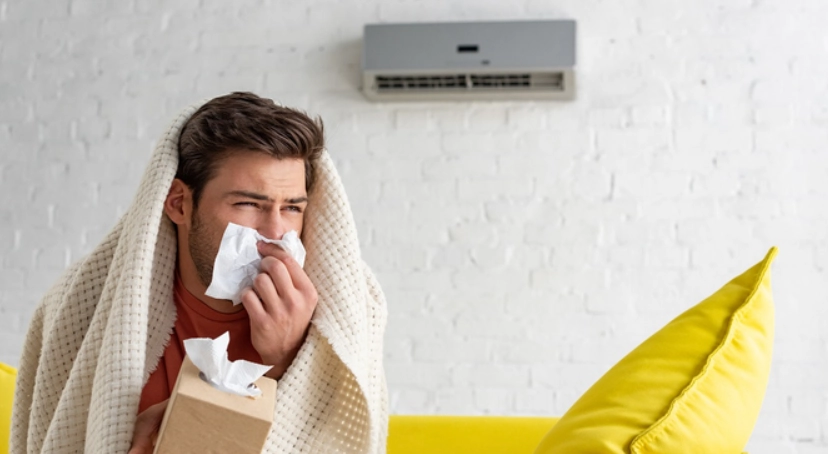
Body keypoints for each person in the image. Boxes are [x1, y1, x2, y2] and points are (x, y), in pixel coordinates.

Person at [11, 92, 389, 454]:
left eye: (292, 208)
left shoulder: (347, 315)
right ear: (179, 204)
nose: (275, 232)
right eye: (248, 204)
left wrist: (287, 357)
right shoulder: (83, 305)